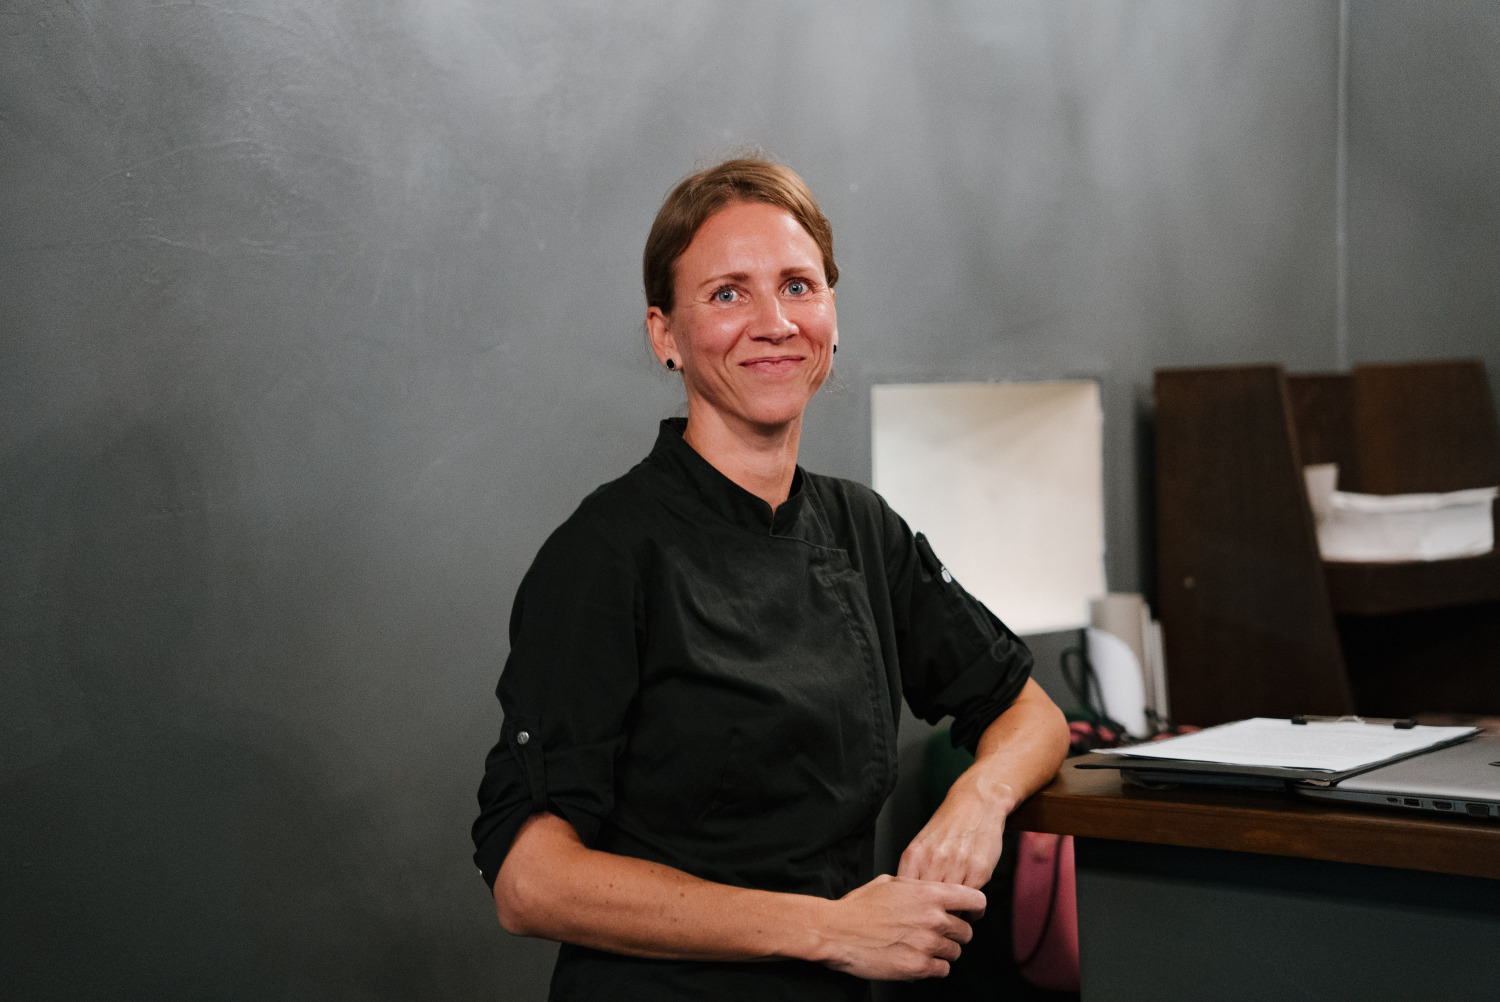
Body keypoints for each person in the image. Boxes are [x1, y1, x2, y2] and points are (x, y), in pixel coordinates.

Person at [472, 156, 1070, 1001]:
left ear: (832, 313)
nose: (774, 323)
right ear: (664, 336)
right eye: (727, 294)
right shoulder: (606, 553)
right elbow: (529, 880)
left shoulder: (863, 529)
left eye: (797, 286)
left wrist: (979, 799)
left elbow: (1027, 712)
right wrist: (828, 928)